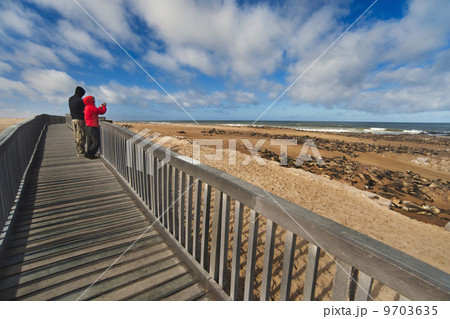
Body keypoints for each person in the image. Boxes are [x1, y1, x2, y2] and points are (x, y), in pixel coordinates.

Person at [68, 86, 86, 156]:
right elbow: (84, 110)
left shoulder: (71, 99)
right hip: (80, 120)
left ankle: (79, 148)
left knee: (76, 135)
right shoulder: (80, 101)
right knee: (81, 135)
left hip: (73, 119)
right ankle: (81, 150)